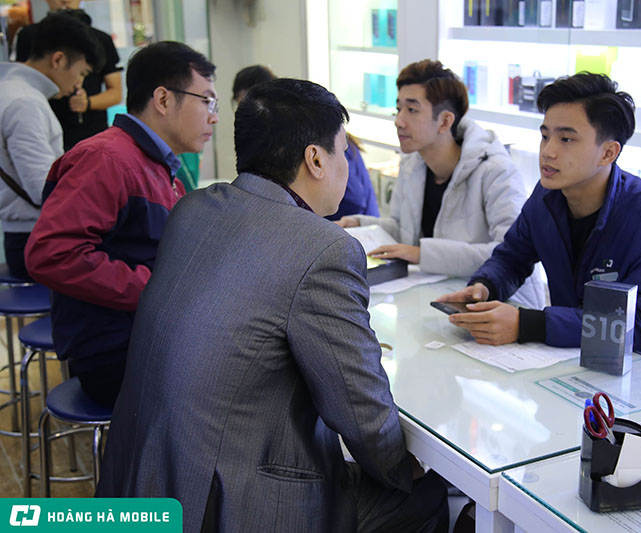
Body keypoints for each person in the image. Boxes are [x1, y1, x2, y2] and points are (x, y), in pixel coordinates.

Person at [95, 79, 448, 533]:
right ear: (315, 159)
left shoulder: (194, 209)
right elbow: (361, 410)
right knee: (428, 496)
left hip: (145, 474)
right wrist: (401, 469)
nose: (347, 164)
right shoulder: (324, 248)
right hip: (227, 504)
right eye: (343, 152)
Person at [439, 73, 641, 374]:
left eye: (566, 139)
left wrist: (528, 324)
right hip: (576, 362)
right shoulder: (546, 197)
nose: (548, 151)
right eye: (545, 136)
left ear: (608, 152)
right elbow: (512, 257)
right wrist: (484, 286)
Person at [24, 41, 218, 406]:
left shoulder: (157, 167)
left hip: (147, 335)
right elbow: (52, 253)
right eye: (207, 101)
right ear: (163, 99)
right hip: (116, 352)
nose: (214, 117)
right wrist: (157, 290)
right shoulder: (106, 159)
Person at [336, 59, 544, 308]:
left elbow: (507, 253)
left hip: (502, 303)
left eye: (412, 110)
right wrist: (361, 224)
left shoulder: (496, 170)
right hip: (439, 295)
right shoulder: (412, 163)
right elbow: (404, 231)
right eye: (398, 108)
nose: (399, 121)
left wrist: (422, 254)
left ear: (445, 121)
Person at [0, 12, 98, 278]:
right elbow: (43, 188)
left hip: (27, 237)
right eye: (81, 73)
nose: (78, 84)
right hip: (37, 240)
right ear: (58, 59)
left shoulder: (11, 91)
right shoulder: (25, 102)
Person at [232, 64, 379, 220]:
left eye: (255, 107)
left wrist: (316, 226)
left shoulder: (327, 140)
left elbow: (355, 201)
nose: (249, 116)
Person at [15, 0, 123, 151]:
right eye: (81, 73)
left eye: (84, 74)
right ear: (57, 59)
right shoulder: (29, 36)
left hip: (89, 134)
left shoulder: (101, 39)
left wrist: (88, 103)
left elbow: (116, 93)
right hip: (46, 129)